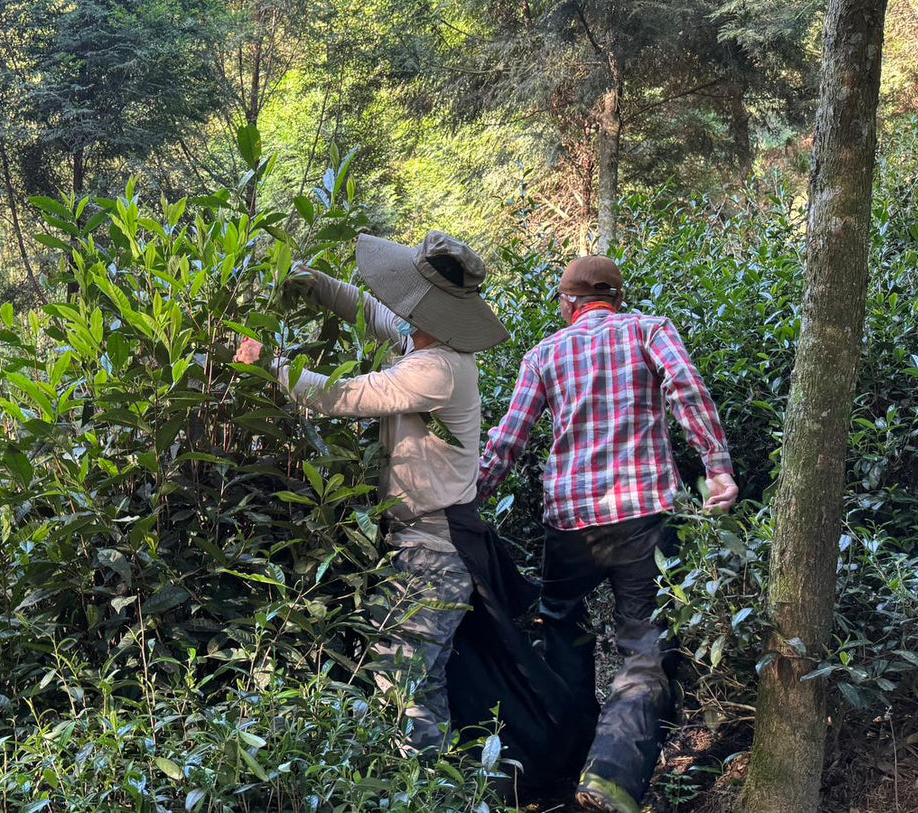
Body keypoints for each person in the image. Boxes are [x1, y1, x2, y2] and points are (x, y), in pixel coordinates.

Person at [477, 255, 738, 813]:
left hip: (569, 522)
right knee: (646, 646)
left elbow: (509, 438)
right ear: (617, 298)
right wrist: (716, 467)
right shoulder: (649, 330)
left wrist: (468, 496)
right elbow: (687, 388)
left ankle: (562, 766)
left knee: (562, 632)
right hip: (645, 516)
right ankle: (610, 776)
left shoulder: (544, 353)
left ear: (569, 303)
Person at [234, 230, 509, 754]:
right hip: (424, 540)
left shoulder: (438, 368)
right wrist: (314, 282)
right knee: (418, 677)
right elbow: (367, 309)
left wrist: (271, 362)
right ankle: (437, 779)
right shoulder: (421, 341)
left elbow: (342, 395)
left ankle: (426, 780)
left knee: (400, 675)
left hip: (435, 547)